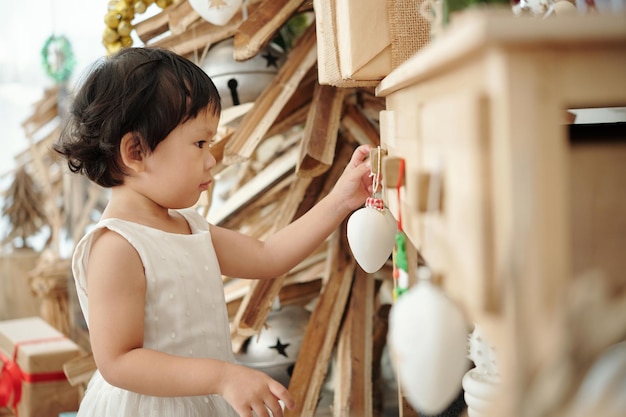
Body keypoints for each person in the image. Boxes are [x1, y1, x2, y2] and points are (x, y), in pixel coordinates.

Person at [54, 46, 374, 417]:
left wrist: (341, 200)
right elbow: (119, 362)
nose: (212, 158)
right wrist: (222, 377)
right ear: (136, 152)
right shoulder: (117, 247)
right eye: (200, 143)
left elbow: (268, 255)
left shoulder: (190, 227)